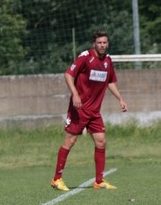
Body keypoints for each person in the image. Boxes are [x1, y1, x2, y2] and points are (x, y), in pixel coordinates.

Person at [51, 30, 128, 191]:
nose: (102, 45)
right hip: (79, 109)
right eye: (99, 42)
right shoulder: (85, 57)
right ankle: (57, 179)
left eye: (105, 42)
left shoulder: (108, 60)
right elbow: (68, 75)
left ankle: (99, 181)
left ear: (108, 44)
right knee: (70, 142)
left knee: (101, 142)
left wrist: (120, 99)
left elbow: (110, 82)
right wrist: (75, 94)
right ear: (94, 43)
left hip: (94, 112)